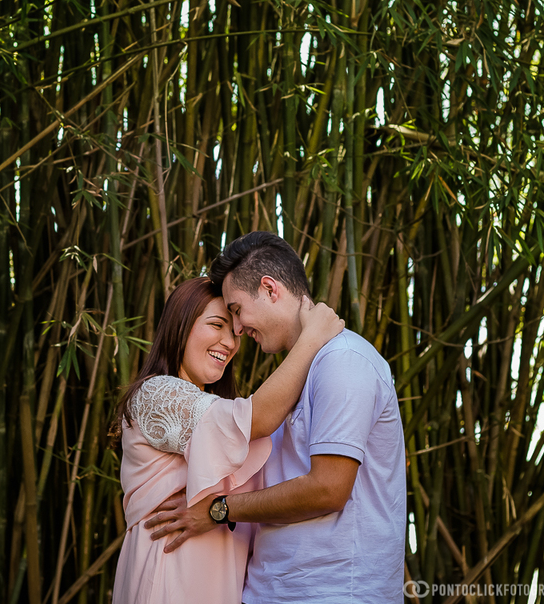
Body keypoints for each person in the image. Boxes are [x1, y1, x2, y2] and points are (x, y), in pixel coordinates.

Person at [145, 231, 406, 603]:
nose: (236, 332)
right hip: (276, 590)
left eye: (235, 310)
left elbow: (328, 488)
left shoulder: (343, 360)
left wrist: (219, 509)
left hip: (333, 591)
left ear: (270, 289)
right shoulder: (298, 373)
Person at [111, 276, 344, 604]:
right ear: (181, 325)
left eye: (234, 333)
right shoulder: (156, 394)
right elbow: (259, 418)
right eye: (216, 325)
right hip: (170, 576)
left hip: (221, 581)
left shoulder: (217, 414)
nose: (230, 343)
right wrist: (312, 338)